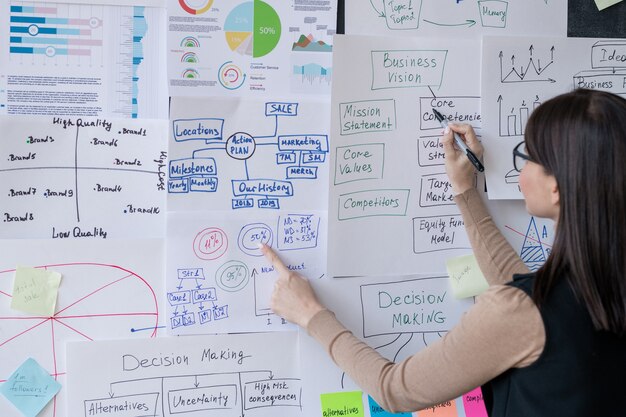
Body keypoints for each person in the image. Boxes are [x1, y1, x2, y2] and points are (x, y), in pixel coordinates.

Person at [260, 88, 626, 416]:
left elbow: (394, 390)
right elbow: (526, 291)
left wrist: (311, 315)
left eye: (528, 155)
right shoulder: (605, 282)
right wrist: (464, 190)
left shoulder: (526, 314)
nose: (521, 167)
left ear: (558, 187)